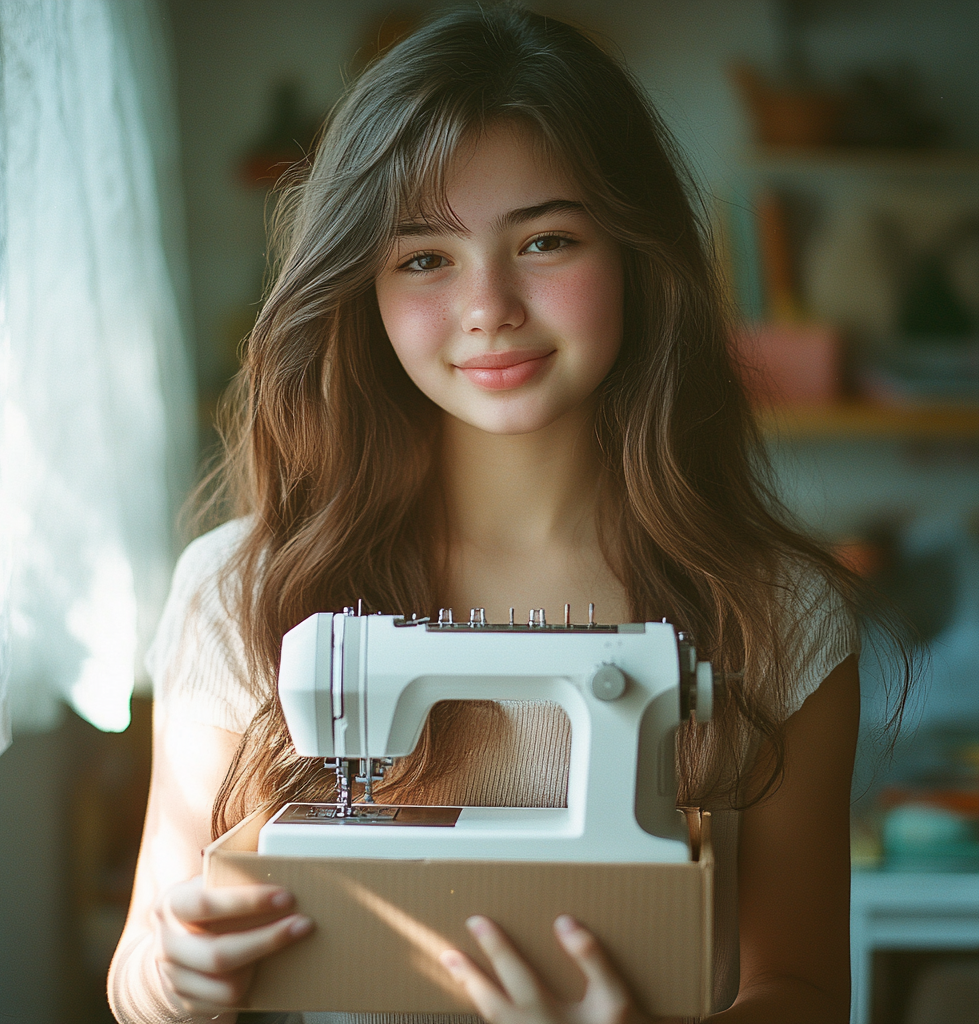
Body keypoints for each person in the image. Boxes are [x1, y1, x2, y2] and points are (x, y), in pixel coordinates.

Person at [108, 6, 909, 1023]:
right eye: (424, 257)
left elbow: (797, 990)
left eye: (545, 240)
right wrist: (173, 978)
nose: (489, 304)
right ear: (362, 287)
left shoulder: (777, 613)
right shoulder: (240, 589)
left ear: (634, 255)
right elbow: (143, 962)